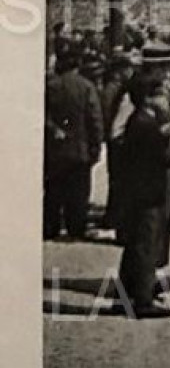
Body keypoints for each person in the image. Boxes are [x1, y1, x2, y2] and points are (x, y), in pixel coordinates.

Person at [114, 75, 170, 319]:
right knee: (146, 243)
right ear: (148, 98)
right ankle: (142, 299)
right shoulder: (145, 123)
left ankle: (124, 294)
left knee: (135, 244)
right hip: (148, 192)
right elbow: (163, 157)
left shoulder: (139, 120)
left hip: (137, 191)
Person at [44, 48, 104, 242]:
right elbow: (95, 119)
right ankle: (75, 227)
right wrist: (96, 146)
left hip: (55, 148)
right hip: (80, 147)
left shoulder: (50, 86)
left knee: (54, 188)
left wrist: (53, 130)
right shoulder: (86, 87)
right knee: (78, 191)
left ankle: (50, 225)